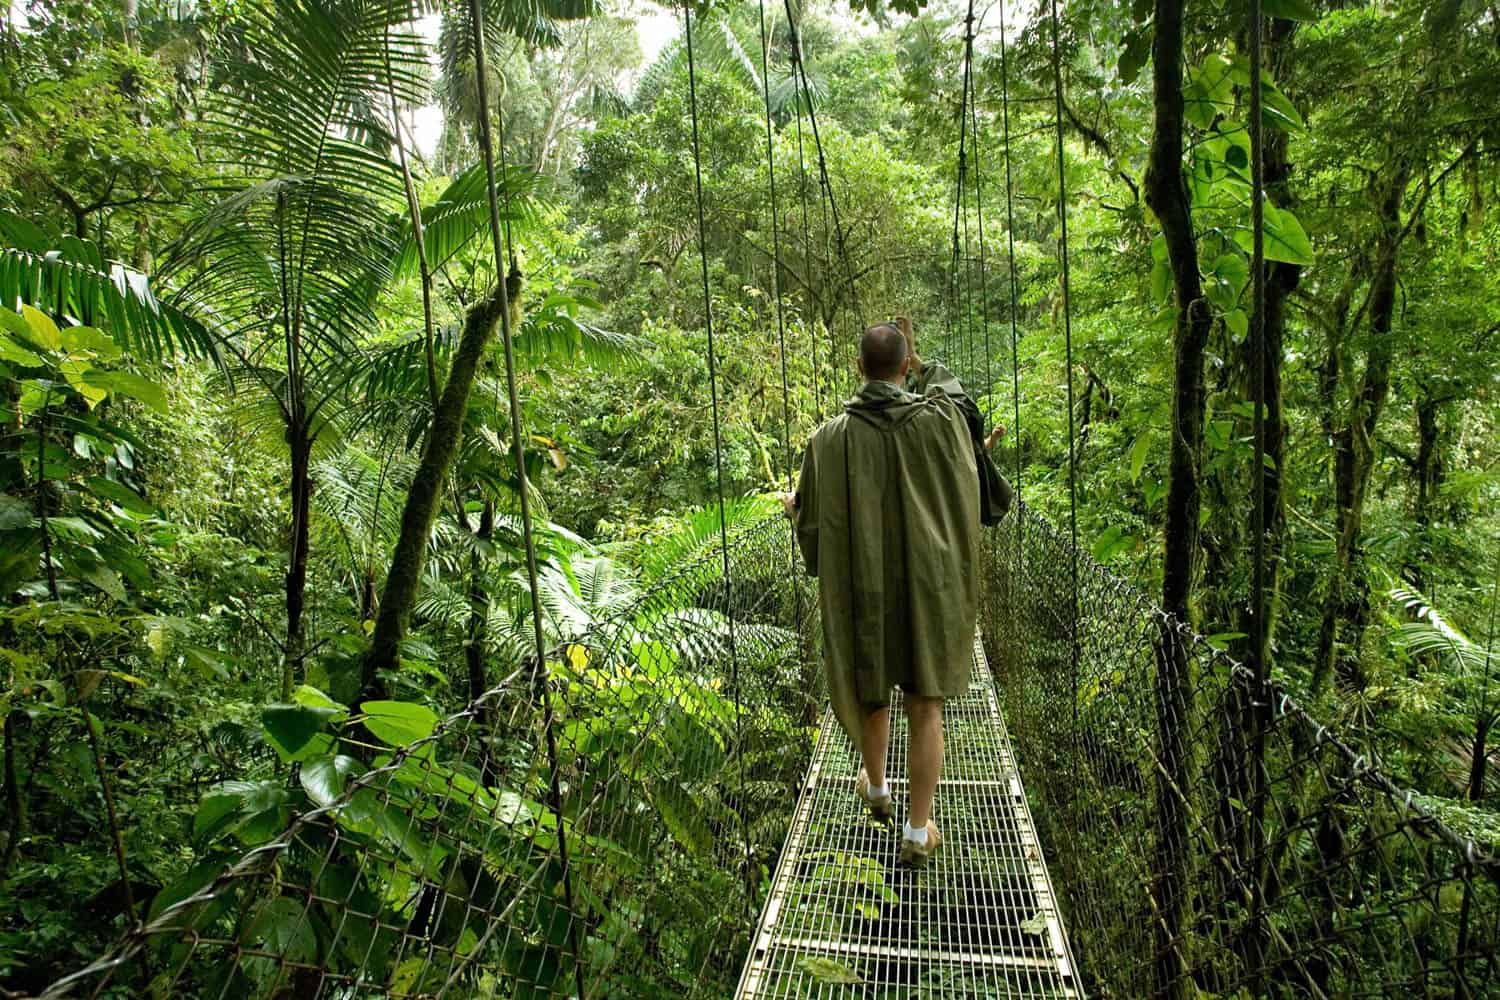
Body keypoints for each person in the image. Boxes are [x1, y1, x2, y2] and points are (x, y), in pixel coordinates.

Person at [779, 320, 986, 867]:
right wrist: (924, 365)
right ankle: (918, 832)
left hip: (864, 588)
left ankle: (876, 790)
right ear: (904, 368)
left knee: (871, 689)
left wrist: (795, 514)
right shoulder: (939, 423)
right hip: (927, 587)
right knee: (925, 703)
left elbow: (814, 527)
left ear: (857, 369)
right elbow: (956, 398)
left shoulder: (827, 441)